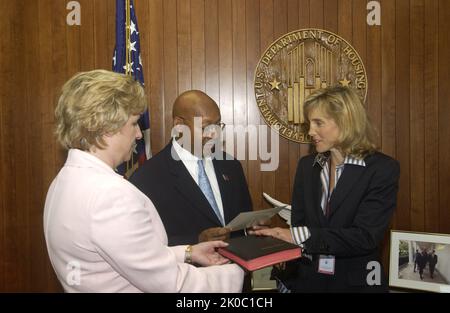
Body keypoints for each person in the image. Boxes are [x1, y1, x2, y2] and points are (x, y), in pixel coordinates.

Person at [43, 70, 244, 292]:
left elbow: (134, 257)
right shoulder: (110, 195)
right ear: (105, 126)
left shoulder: (63, 181)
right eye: (134, 123)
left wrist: (187, 252)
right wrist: (239, 271)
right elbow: (172, 284)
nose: (139, 134)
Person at [251, 85, 400, 292]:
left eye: (318, 123)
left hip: (356, 285)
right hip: (308, 282)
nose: (311, 131)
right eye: (309, 124)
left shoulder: (382, 169)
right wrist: (277, 239)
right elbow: (300, 224)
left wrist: (297, 236)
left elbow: (365, 237)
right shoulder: (307, 166)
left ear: (345, 121)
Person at [130, 90, 253, 245]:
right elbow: (142, 245)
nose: (214, 135)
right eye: (206, 127)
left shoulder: (232, 166)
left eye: (217, 125)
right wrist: (195, 241)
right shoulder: (147, 178)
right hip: (186, 268)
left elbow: (243, 223)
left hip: (236, 266)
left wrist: (253, 228)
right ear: (179, 125)